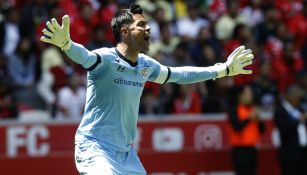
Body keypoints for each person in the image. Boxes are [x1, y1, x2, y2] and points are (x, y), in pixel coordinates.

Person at [40, 4, 254, 175]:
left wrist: (222, 70)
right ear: (125, 31)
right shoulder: (105, 59)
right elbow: (84, 56)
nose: (148, 29)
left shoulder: (146, 65)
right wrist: (67, 44)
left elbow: (179, 75)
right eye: (141, 25)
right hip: (94, 147)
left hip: (126, 154)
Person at [228, 85, 265, 175]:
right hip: (240, 150)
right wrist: (249, 118)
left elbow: (262, 130)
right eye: (247, 94)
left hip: (252, 149)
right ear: (240, 96)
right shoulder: (234, 110)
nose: (250, 96)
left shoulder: (254, 110)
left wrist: (260, 120)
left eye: (251, 94)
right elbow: (236, 126)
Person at [274, 84, 307, 175]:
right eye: (297, 96)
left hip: (303, 152)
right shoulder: (280, 110)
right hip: (289, 154)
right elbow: (283, 126)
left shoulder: (300, 109)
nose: (299, 99)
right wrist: (299, 119)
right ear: (290, 96)